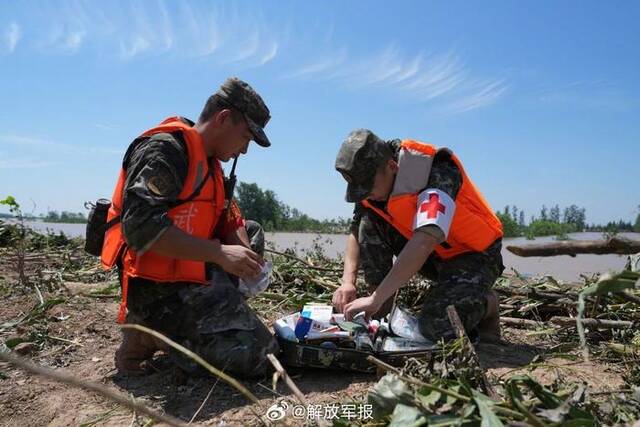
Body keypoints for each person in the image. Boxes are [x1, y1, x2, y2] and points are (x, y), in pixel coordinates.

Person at [101, 77, 279, 377]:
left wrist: (243, 254)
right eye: (246, 138)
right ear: (224, 119)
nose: (245, 150)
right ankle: (151, 331)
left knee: (253, 231)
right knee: (261, 358)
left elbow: (227, 217)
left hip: (192, 271)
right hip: (156, 289)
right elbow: (140, 227)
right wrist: (221, 254)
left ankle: (216, 316)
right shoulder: (165, 151)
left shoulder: (212, 163)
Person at [332, 130, 505, 342]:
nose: (366, 194)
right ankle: (382, 307)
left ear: (392, 166)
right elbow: (356, 228)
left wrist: (375, 299)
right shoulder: (372, 181)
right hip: (435, 255)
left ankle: (488, 303)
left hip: (475, 256)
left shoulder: (437, 172)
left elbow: (425, 239)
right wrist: (348, 282)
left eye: (369, 187)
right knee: (368, 222)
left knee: (436, 328)